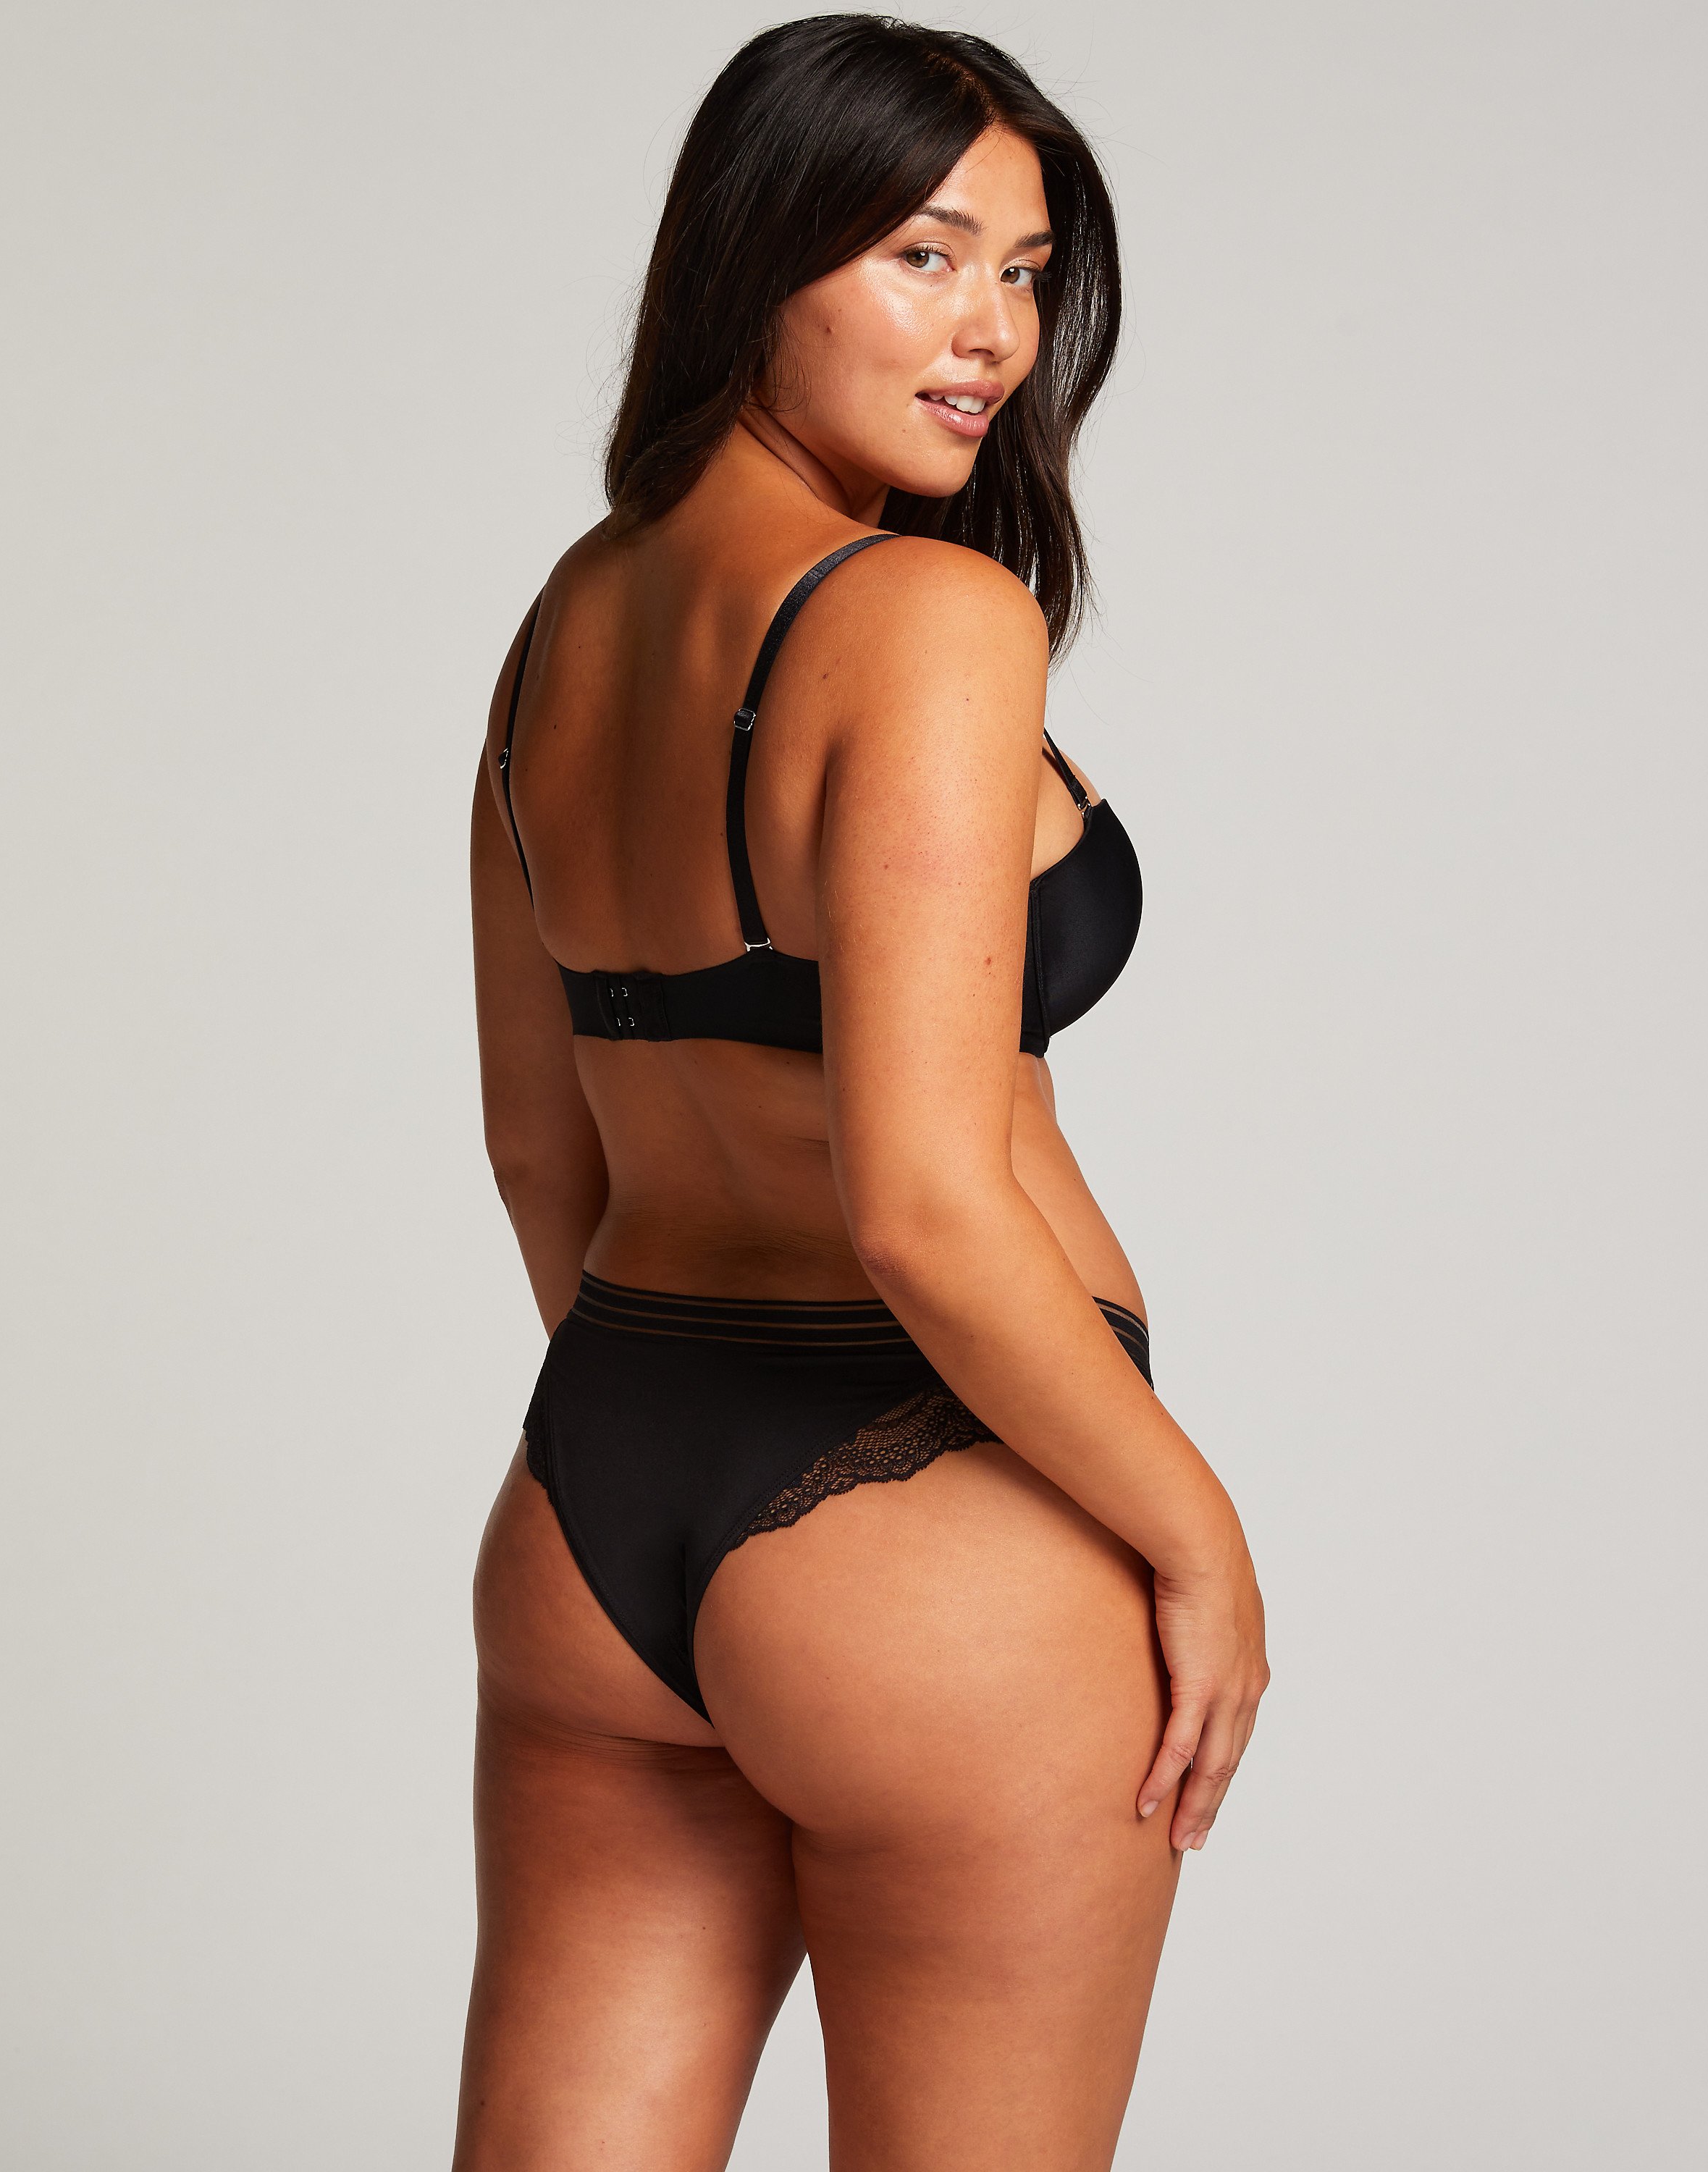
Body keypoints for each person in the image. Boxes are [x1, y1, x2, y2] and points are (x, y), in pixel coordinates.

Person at [458, 17, 1268, 2168]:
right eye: (924, 255)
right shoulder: (925, 617)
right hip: (940, 1535)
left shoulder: (567, 622)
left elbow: (537, 1143)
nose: (990, 332)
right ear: (756, 255)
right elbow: (920, 1202)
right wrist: (1196, 1536)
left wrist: (666, 1444)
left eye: (1024, 272)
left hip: (596, 1503)